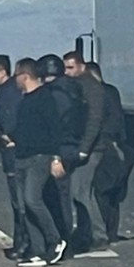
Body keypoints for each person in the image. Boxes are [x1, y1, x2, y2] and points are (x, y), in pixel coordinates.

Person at [11, 58, 67, 265]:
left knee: (32, 199)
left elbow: (55, 130)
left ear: (24, 76)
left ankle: (55, 241)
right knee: (24, 205)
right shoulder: (25, 100)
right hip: (22, 157)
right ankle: (37, 249)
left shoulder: (45, 98)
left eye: (17, 75)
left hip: (39, 156)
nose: (14, 80)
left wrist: (56, 158)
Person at [64, 50, 109, 252]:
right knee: (81, 192)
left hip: (91, 148)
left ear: (81, 66)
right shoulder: (79, 85)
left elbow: (94, 120)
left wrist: (84, 149)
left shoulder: (90, 87)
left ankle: (97, 234)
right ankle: (86, 232)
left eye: (70, 67)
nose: (67, 72)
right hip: (85, 146)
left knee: (80, 192)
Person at [0, 54, 29, 260]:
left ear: (3, 71)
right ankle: (23, 242)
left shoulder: (8, 95)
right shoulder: (9, 92)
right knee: (20, 201)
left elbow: (10, 122)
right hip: (13, 154)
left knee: (20, 201)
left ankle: (23, 243)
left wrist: (10, 137)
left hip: (14, 155)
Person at [87, 61, 133, 244]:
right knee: (113, 192)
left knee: (101, 191)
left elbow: (107, 121)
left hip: (106, 147)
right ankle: (111, 231)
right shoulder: (112, 91)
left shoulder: (98, 94)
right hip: (120, 146)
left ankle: (103, 231)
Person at [37, 53, 79, 244]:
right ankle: (67, 236)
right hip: (73, 145)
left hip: (58, 149)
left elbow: (52, 126)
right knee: (66, 195)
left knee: (55, 196)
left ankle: (61, 237)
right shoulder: (74, 90)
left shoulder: (50, 95)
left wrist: (54, 156)